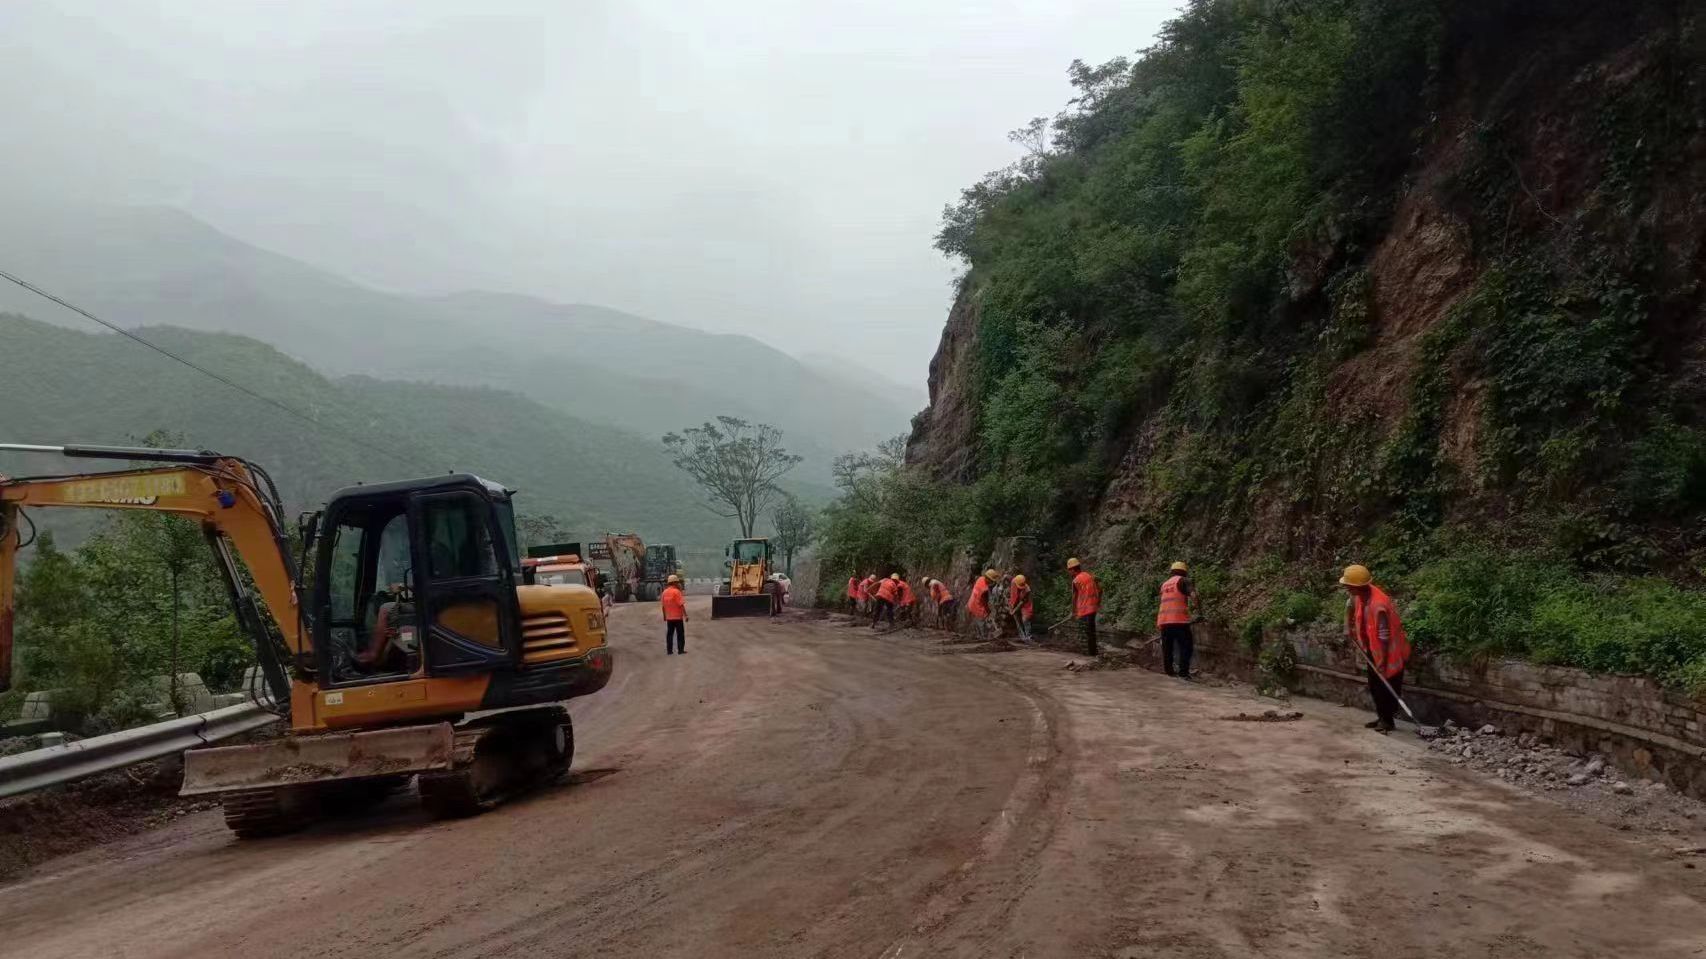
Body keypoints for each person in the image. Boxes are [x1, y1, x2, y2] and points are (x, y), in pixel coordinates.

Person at [1340, 564, 1412, 733]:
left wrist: (1382, 662)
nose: (1345, 587)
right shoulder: (1359, 595)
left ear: (1357, 586)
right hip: (1373, 649)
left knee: (1387, 688)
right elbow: (1349, 605)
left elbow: (1384, 637)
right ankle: (1382, 718)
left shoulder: (1379, 604)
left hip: (1389, 653)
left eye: (1348, 585)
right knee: (1374, 686)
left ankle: (1387, 721)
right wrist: (1346, 626)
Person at [1157, 561, 1197, 679]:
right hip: (1179, 621)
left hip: (1164, 621)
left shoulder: (1165, 584)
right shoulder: (1184, 580)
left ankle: (1169, 671)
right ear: (1184, 571)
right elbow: (1193, 595)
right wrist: (1196, 608)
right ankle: (1183, 673)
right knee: (1186, 646)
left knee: (1167, 647)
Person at [1067, 557, 1100, 656]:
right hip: (1093, 607)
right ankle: (1094, 652)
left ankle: (1091, 654)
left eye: (1069, 570)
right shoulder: (1089, 575)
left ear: (1073, 569)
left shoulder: (1075, 581)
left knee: (1088, 632)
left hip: (1085, 609)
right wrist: (1098, 602)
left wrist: (1073, 611)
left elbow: (1074, 597)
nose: (1069, 572)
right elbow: (1100, 589)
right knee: (1091, 631)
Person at [661, 573, 688, 655]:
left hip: (669, 618)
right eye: (677, 582)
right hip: (678, 618)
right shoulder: (677, 592)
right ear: (674, 583)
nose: (678, 583)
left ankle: (669, 651)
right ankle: (680, 650)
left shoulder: (664, 593)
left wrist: (665, 616)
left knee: (669, 634)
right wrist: (686, 615)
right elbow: (681, 605)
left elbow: (663, 606)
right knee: (680, 634)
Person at [968, 568, 997, 640]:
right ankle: (984, 637)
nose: (991, 582)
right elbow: (985, 602)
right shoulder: (985, 589)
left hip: (971, 603)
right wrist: (988, 611)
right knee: (982, 621)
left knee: (978, 621)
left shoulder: (980, 578)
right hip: (977, 606)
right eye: (991, 580)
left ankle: (979, 635)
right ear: (988, 578)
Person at [1009, 573, 1034, 644]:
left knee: (1025, 618)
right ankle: (1021, 635)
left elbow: (1022, 602)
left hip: (1025, 603)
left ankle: (1028, 636)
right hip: (1015, 600)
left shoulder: (1027, 590)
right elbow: (1013, 595)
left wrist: (1014, 610)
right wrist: (1011, 608)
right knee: (1016, 618)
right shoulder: (1014, 581)